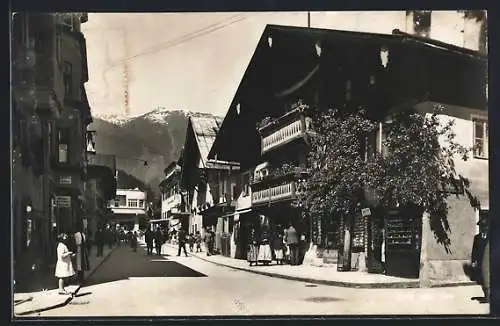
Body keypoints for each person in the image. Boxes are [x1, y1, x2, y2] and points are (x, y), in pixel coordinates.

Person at [471, 218, 489, 303]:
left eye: (485, 226)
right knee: (482, 279)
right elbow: (474, 250)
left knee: (488, 279)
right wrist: (473, 260)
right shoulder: (477, 238)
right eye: (482, 226)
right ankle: (486, 295)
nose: (484, 228)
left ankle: (488, 296)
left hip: (489, 262)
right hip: (480, 261)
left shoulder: (490, 238)